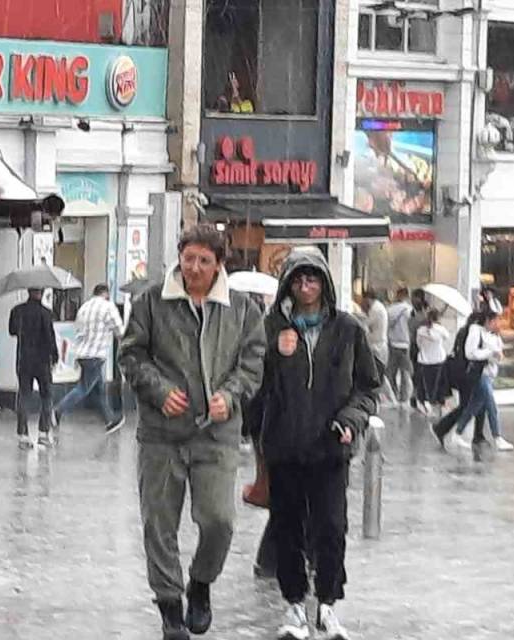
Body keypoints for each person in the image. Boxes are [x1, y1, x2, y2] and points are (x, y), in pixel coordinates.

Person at [120, 225, 266, 640]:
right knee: (159, 524)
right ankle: (169, 605)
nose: (194, 268)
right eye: (188, 259)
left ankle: (200, 583)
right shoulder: (152, 302)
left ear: (220, 264)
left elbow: (253, 363)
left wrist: (231, 395)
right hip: (161, 434)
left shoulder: (242, 310)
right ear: (179, 258)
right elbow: (131, 355)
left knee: (219, 519)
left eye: (204, 260)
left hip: (216, 434)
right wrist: (159, 390)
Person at [248, 247, 380, 640]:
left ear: (325, 284)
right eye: (298, 280)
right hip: (285, 448)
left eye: (313, 279)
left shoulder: (348, 329)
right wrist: (274, 354)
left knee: (331, 527)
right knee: (287, 528)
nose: (306, 287)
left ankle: (326, 603)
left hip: (330, 449)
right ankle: (293, 606)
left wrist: (351, 421)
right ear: (288, 285)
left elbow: (368, 387)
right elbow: (251, 383)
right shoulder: (269, 328)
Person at [432, 303, 514, 452]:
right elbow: (469, 354)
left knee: (474, 405)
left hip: (473, 374)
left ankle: (461, 432)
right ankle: (493, 436)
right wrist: (489, 353)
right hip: (471, 374)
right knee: (483, 405)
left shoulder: (481, 333)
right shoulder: (472, 332)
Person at [55, 283, 125, 432]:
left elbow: (77, 331)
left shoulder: (84, 308)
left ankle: (109, 420)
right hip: (96, 355)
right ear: (105, 294)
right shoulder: (108, 307)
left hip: (82, 354)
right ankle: (57, 412)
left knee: (99, 389)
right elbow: (120, 331)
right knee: (83, 388)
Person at [9, 287, 59, 447]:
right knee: (46, 396)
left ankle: (22, 436)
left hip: (23, 360)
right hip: (42, 361)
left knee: (24, 395)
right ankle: (43, 434)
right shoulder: (46, 313)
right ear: (42, 293)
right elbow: (50, 336)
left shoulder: (17, 311)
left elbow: (12, 331)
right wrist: (55, 355)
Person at [414, 308, 451, 415]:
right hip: (438, 360)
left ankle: (425, 404)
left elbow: (418, 344)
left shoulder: (420, 330)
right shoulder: (441, 329)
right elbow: (447, 338)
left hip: (424, 360)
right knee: (439, 384)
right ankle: (441, 403)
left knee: (425, 386)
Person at [360, 290, 394, 404]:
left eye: (363, 300)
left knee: (378, 373)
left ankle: (390, 399)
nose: (362, 303)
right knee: (378, 373)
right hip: (377, 345)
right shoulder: (378, 308)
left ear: (368, 298)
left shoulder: (376, 309)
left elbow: (365, 324)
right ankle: (387, 399)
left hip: (377, 347)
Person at [386, 287, 415, 404]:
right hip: (406, 345)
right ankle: (404, 398)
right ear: (406, 296)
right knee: (405, 373)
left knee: (391, 372)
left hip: (392, 344)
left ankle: (393, 394)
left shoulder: (390, 309)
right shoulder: (409, 310)